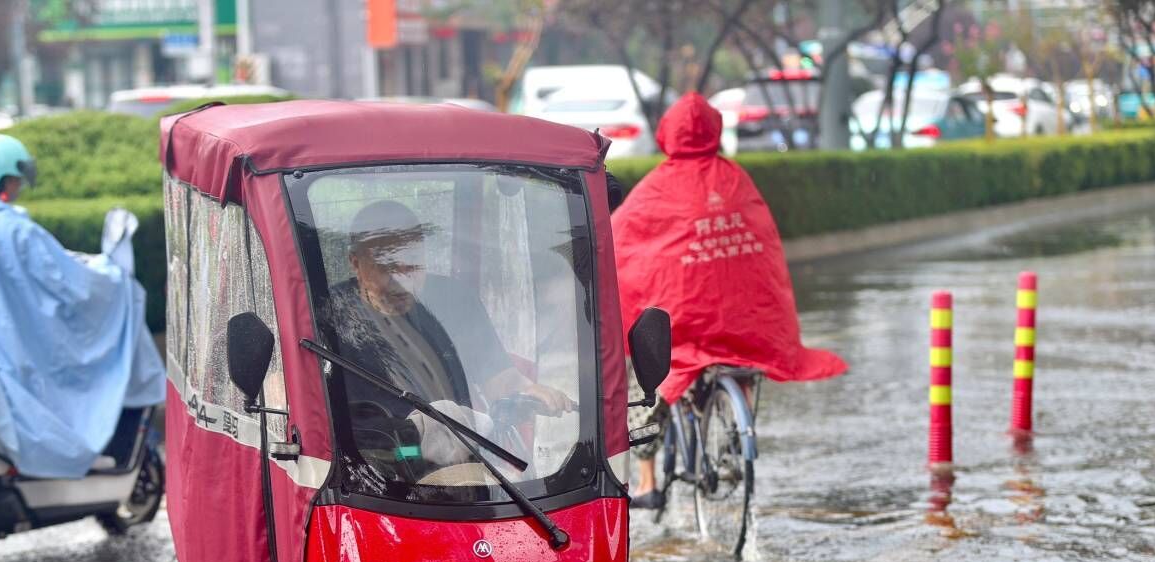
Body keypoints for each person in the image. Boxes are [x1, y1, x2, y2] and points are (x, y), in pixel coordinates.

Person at [612, 93, 848, 508]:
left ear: (669, 134)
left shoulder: (658, 188)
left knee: (645, 379)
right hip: (743, 324)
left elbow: (620, 243)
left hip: (686, 324)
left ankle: (647, 483)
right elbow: (765, 248)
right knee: (738, 359)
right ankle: (737, 433)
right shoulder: (736, 179)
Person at [0, 134, 165, 479]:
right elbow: (73, 286)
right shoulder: (13, 231)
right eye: (16, 178)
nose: (20, 185)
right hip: (3, 358)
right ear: (5, 180)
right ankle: (82, 454)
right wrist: (112, 275)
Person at [323, 199, 573, 471]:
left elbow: (500, 378)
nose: (401, 279)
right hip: (367, 466)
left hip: (460, 458)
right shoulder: (326, 314)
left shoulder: (455, 301)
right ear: (356, 263)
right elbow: (290, 392)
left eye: (413, 264)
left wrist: (528, 390)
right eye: (387, 265)